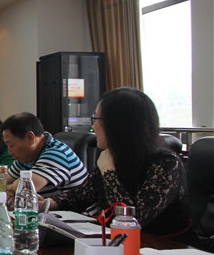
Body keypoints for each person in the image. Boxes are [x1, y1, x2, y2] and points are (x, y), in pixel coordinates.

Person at [46, 87, 193, 240]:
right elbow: (82, 196)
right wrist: (50, 202)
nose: (93, 127)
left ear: (119, 125)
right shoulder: (113, 156)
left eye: (96, 119)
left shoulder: (167, 163)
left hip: (165, 247)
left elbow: (134, 219)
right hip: (119, 242)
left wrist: (109, 172)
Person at [3, 112, 88, 197]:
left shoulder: (56, 154)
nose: (10, 152)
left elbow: (24, 187)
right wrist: (7, 187)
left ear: (30, 138)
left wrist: (7, 188)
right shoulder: (28, 156)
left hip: (71, 205)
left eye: (11, 145)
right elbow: (4, 180)